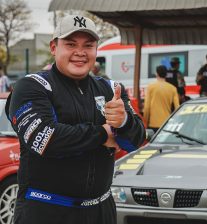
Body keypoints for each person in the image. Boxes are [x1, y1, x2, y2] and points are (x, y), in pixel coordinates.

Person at [5, 15, 145, 224]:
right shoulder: (31, 86)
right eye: (71, 44)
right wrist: (103, 134)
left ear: (96, 50)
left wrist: (124, 121)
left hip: (101, 210)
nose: (80, 52)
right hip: (46, 211)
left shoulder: (110, 88)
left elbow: (135, 141)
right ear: (54, 47)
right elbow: (47, 140)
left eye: (88, 45)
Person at [144, 65, 179, 132]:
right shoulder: (173, 88)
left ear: (156, 73)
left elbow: (147, 107)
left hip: (153, 124)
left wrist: (145, 122)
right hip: (166, 124)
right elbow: (177, 108)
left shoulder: (150, 87)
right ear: (166, 74)